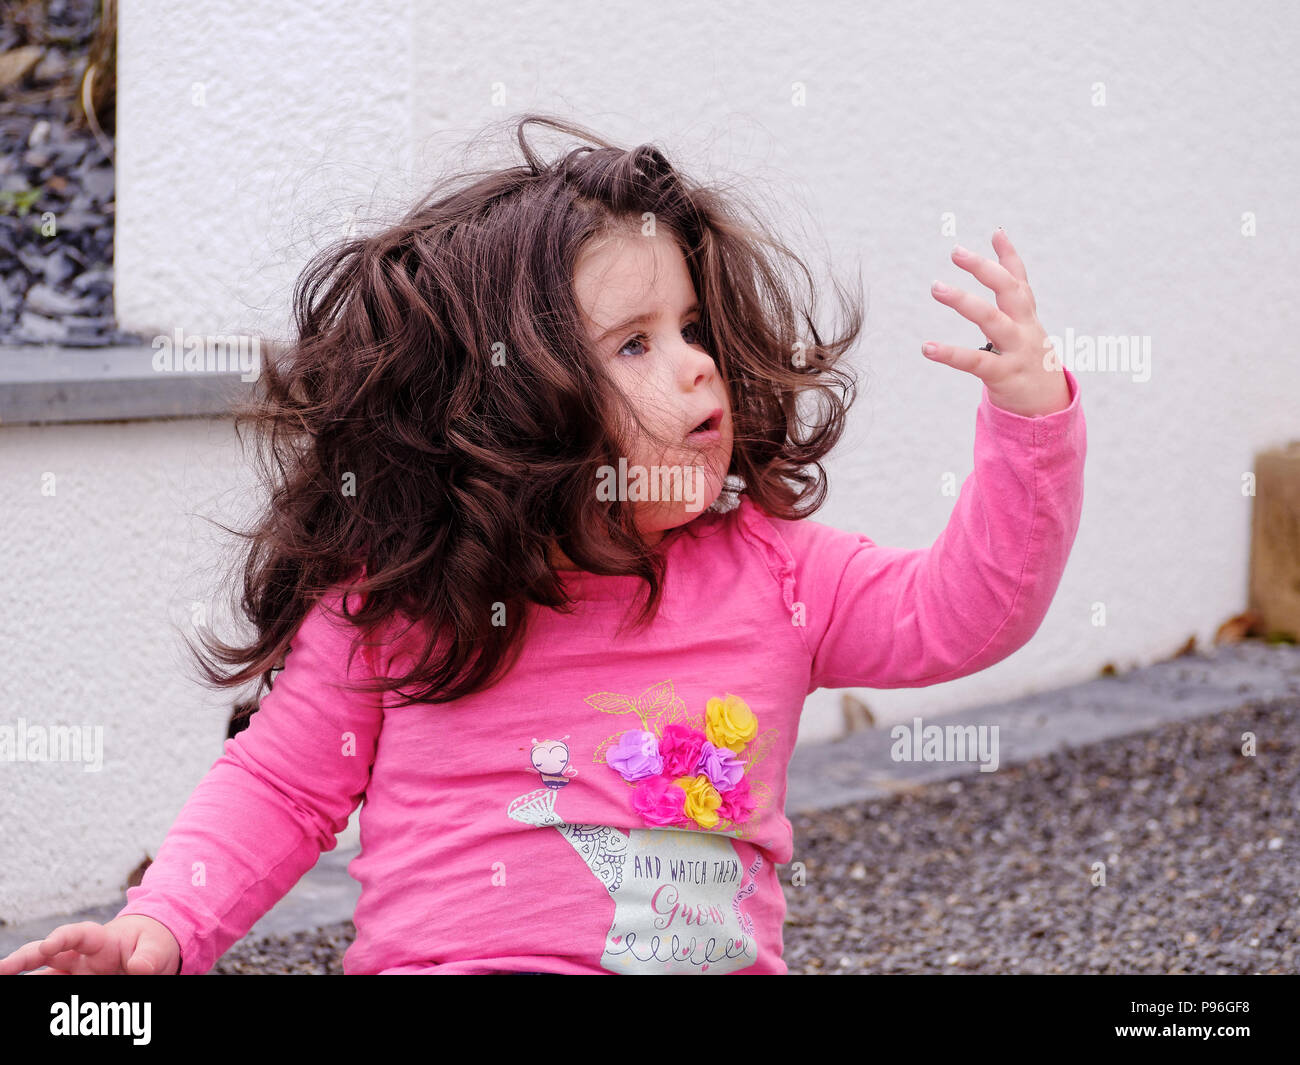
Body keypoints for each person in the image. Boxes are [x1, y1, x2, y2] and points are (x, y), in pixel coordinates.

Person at [0, 113, 1085, 976]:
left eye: (694, 328)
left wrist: (1029, 420)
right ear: (511, 405)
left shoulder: (782, 577)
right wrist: (161, 929)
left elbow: (968, 610)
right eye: (636, 343)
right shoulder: (404, 597)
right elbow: (280, 790)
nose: (698, 365)